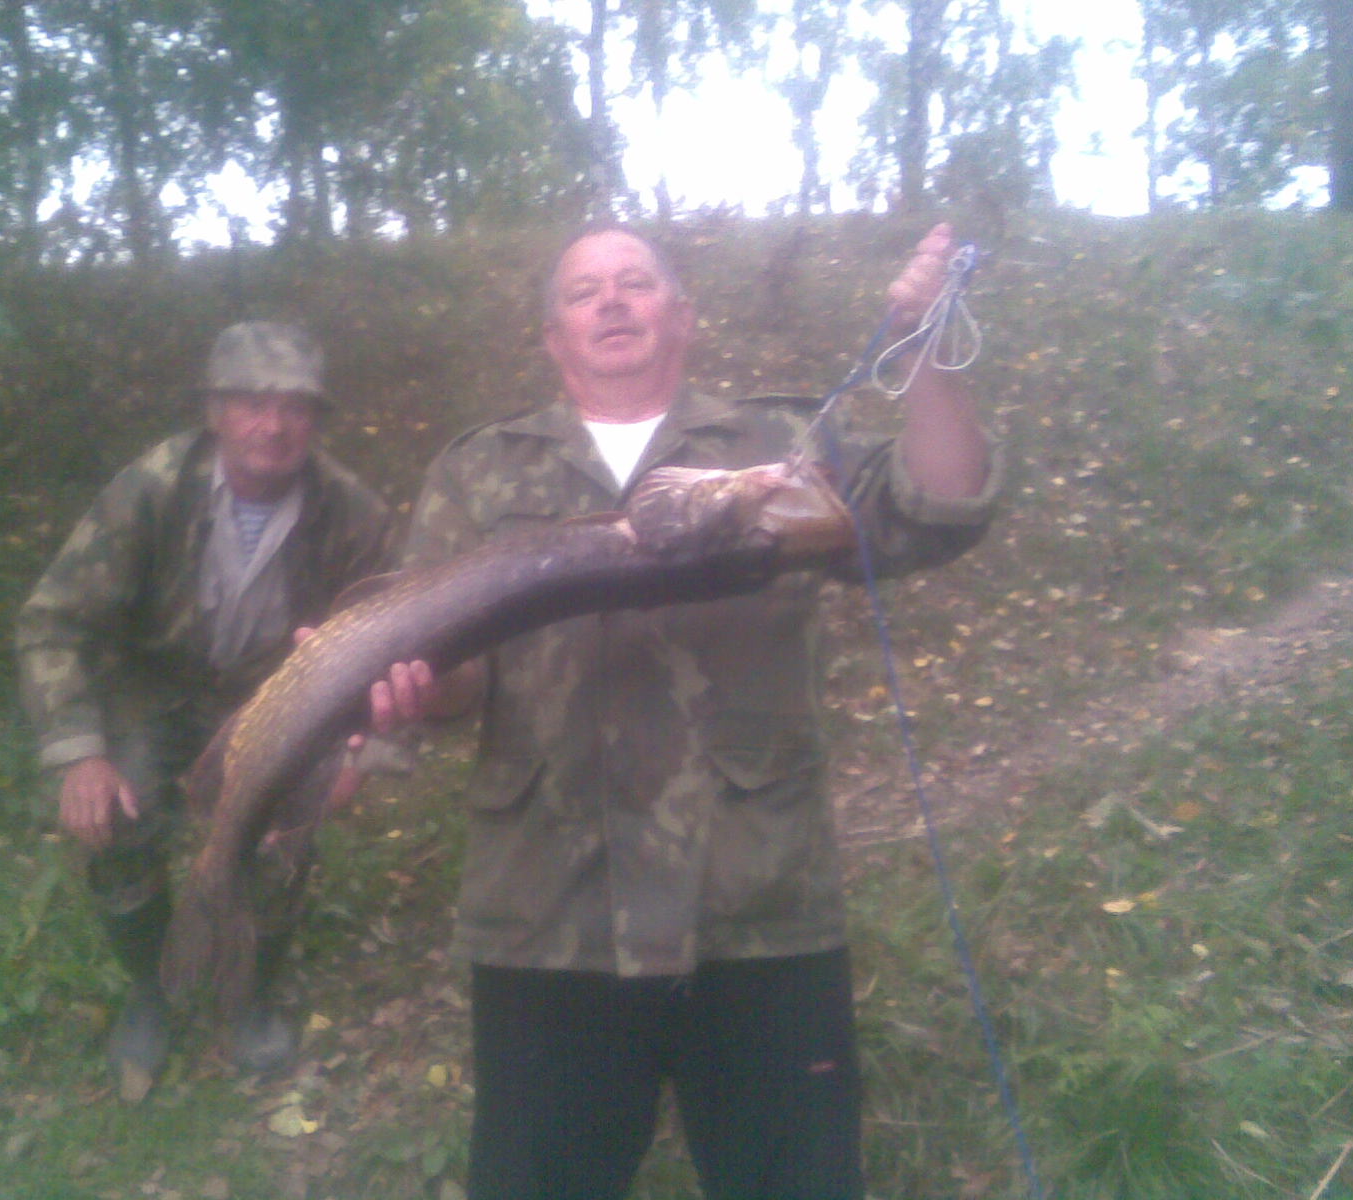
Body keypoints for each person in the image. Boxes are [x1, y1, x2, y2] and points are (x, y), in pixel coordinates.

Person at [364, 223, 1001, 1199]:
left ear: (684, 316)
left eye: (635, 282)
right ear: (553, 336)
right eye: (584, 291)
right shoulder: (479, 471)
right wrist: (420, 687)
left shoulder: (778, 446)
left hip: (759, 910)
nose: (612, 301)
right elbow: (457, 681)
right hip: (547, 918)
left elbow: (941, 506)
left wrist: (924, 341)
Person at [15, 321, 392, 1088]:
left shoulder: (351, 511)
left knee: (282, 841)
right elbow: (52, 619)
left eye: (294, 406)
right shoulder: (152, 488)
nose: (273, 424)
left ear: (316, 420)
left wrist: (361, 750)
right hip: (152, 688)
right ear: (215, 411)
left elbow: (389, 638)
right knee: (115, 820)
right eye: (251, 402)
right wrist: (80, 751)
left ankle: (250, 994)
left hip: (272, 698)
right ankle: (152, 989)